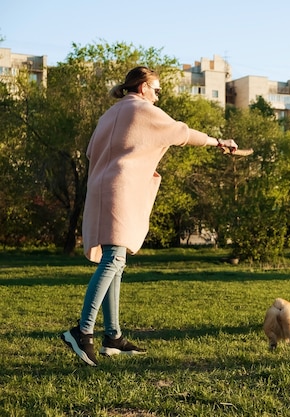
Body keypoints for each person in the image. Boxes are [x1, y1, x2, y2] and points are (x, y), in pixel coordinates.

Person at [61, 66, 238, 366]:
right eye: (156, 89)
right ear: (143, 87)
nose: (158, 95)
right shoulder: (142, 110)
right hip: (120, 190)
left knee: (115, 260)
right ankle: (82, 331)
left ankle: (113, 337)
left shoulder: (109, 114)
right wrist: (218, 141)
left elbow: (92, 152)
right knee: (114, 260)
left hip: (102, 190)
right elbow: (182, 133)